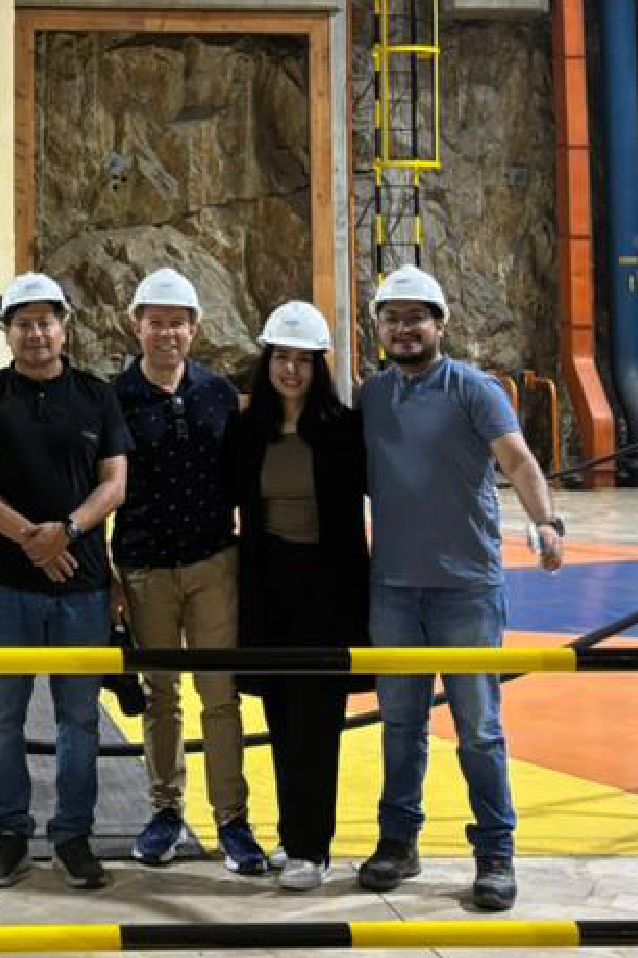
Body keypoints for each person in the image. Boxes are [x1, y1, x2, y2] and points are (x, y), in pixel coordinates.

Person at [349, 263, 568, 911]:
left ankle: (495, 852)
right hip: (393, 591)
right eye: (392, 317)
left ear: (440, 324)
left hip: (465, 590)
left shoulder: (475, 390)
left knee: (479, 729)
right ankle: (398, 843)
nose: (405, 328)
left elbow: (518, 458)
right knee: (400, 725)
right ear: (379, 328)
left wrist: (547, 522)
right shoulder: (373, 397)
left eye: (417, 317)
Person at [0, 272, 134, 890]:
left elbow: (115, 484)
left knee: (78, 718)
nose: (36, 334)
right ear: (7, 331)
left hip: (81, 591)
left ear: (65, 326)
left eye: (46, 321)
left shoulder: (97, 396)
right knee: (1, 715)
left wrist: (69, 532)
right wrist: (34, 540)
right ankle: (8, 834)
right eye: (22, 323)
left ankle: (74, 835)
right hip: (6, 588)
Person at [93, 269, 272, 876]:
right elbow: (100, 487)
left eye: (177, 322)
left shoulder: (219, 394)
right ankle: (165, 811)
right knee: (159, 697)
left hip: (212, 562)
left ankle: (232, 819)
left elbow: (245, 479)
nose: (166, 332)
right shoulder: (112, 398)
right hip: (144, 567)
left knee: (220, 696)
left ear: (194, 329)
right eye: (156, 321)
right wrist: (110, 577)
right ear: (135, 325)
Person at [227, 302, 373, 896]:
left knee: (318, 722)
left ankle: (313, 846)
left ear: (319, 367)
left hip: (327, 590)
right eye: (281, 358)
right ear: (266, 363)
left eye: (303, 360)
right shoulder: (247, 430)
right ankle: (293, 833)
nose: (290, 370)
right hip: (268, 586)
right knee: (282, 719)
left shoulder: (343, 429)